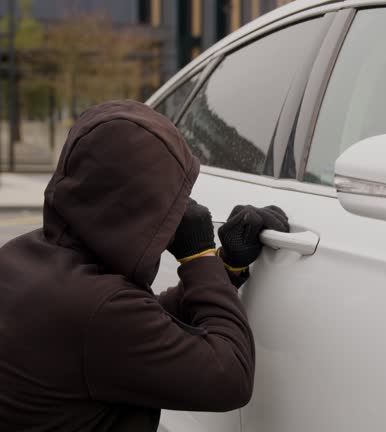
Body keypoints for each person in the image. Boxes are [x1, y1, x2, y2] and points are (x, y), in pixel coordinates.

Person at [0, 100, 289, 431]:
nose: (179, 212)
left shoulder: (23, 258)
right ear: (135, 203)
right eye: (170, 199)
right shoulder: (98, 310)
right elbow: (230, 377)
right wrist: (198, 256)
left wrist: (224, 267)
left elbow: (143, 326)